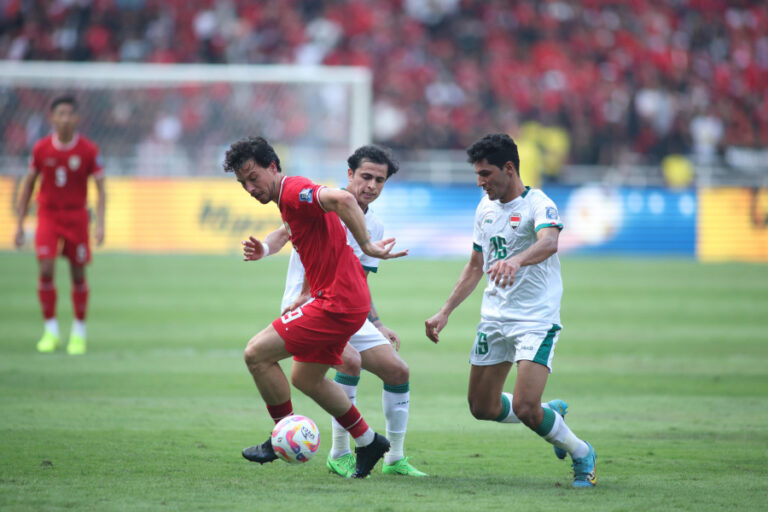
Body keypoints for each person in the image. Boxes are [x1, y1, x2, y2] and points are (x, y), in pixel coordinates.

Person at [223, 136, 407, 479]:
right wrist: (265, 249)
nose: (249, 188)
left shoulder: (293, 190)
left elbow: (340, 198)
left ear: (273, 167)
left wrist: (367, 243)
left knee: (256, 354)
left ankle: (282, 435)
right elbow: (296, 232)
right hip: (341, 300)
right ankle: (368, 441)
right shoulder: (287, 201)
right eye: (242, 183)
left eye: (253, 177)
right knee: (306, 378)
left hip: (336, 302)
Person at [424, 133, 597, 488]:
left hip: (536, 319)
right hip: (495, 318)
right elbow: (475, 265)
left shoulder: (539, 204)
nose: (480, 182)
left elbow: (549, 242)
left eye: (485, 174)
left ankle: (582, 454)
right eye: (477, 174)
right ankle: (551, 414)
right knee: (481, 408)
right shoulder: (484, 208)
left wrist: (517, 261)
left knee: (524, 408)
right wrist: (445, 311)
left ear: (509, 168)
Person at [14, 95, 106, 355]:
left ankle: (78, 332)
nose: (65, 118)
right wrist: (19, 224)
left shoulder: (88, 150)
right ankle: (51, 330)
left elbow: (101, 188)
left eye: (69, 114)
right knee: (45, 268)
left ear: (77, 118)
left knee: (78, 273)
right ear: (52, 118)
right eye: (60, 114)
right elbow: (28, 185)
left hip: (77, 216)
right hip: (48, 215)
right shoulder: (41, 149)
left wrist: (100, 224)